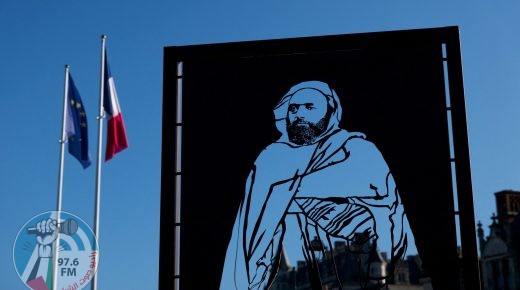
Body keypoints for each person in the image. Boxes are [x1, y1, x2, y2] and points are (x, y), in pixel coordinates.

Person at [220, 81, 409, 290]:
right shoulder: (270, 158)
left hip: (356, 262)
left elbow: (383, 201)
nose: (299, 114)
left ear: (330, 112)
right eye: (293, 108)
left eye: (310, 107)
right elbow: (252, 225)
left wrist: (288, 191)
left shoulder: (357, 150)